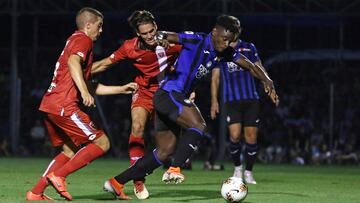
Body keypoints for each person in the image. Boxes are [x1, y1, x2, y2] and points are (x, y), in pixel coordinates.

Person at [102, 15, 279, 199]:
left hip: (169, 99)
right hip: (169, 94)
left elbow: (249, 65)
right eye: (225, 39)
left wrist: (267, 80)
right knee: (199, 125)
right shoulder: (197, 39)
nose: (227, 44)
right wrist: (161, 38)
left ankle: (116, 182)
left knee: (164, 151)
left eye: (231, 41)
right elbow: (169, 35)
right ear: (215, 32)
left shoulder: (224, 52)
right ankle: (175, 168)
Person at [25, 7, 138, 201]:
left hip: (50, 104)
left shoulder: (73, 41)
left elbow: (90, 85)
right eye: (99, 26)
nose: (101, 30)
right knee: (102, 143)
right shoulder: (82, 39)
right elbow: (73, 63)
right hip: (64, 105)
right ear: (88, 25)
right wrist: (84, 92)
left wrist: (121, 88)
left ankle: (35, 192)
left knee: (69, 150)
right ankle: (59, 176)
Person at [91, 10, 181, 199]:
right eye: (145, 33)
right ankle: (138, 180)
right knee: (137, 126)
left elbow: (191, 61)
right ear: (138, 34)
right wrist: (79, 72)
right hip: (144, 92)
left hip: (167, 93)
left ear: (156, 27)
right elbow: (106, 63)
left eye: (152, 31)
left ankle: (141, 171)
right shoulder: (129, 47)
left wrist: (190, 87)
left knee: (165, 146)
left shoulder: (172, 43)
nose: (150, 36)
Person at [210, 23, 278, 184]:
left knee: (251, 137)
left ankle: (249, 172)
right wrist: (214, 100)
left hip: (251, 99)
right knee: (234, 136)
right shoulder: (221, 50)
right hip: (231, 100)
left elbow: (259, 68)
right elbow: (215, 77)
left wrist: (270, 86)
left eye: (238, 29)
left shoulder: (249, 48)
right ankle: (238, 168)